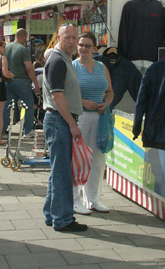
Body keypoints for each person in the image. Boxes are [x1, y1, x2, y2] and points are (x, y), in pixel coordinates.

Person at [42, 24, 88, 232]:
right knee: (62, 173)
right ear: (59, 38)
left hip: (59, 121)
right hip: (59, 121)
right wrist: (72, 124)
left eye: (74, 38)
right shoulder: (58, 60)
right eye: (67, 37)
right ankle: (63, 219)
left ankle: (52, 214)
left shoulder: (62, 60)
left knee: (57, 171)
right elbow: (57, 95)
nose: (71, 42)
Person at [72, 31, 114, 214]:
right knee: (78, 158)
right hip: (79, 117)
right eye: (81, 45)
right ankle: (75, 199)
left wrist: (106, 104)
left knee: (97, 159)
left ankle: (93, 198)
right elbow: (66, 94)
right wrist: (83, 102)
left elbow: (110, 91)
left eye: (88, 45)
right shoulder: (72, 67)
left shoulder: (101, 67)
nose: (83, 48)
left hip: (99, 117)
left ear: (95, 48)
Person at [2, 28, 40, 137]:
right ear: (24, 37)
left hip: (8, 80)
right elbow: (29, 68)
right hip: (21, 81)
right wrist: (35, 83)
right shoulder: (23, 49)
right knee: (29, 105)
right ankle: (27, 130)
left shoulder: (6, 47)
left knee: (7, 106)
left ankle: (2, 130)